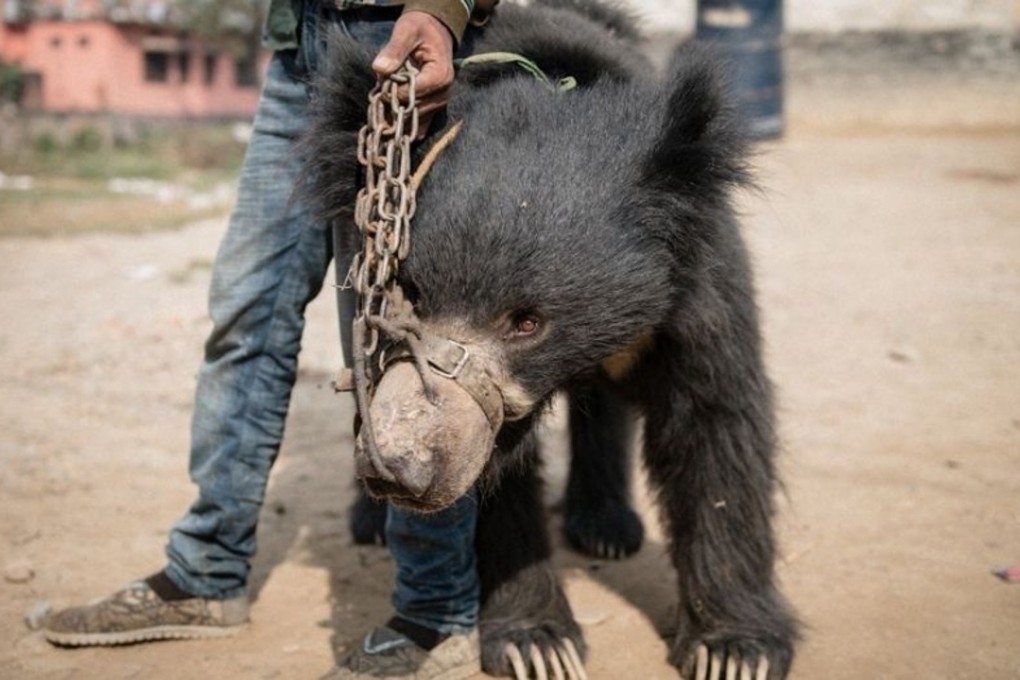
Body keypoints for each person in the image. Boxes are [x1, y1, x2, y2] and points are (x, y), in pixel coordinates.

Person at [42, 1, 496, 678]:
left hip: (401, 43)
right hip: (299, 51)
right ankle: (206, 572)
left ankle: (436, 612)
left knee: (391, 332)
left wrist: (444, 8)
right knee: (246, 309)